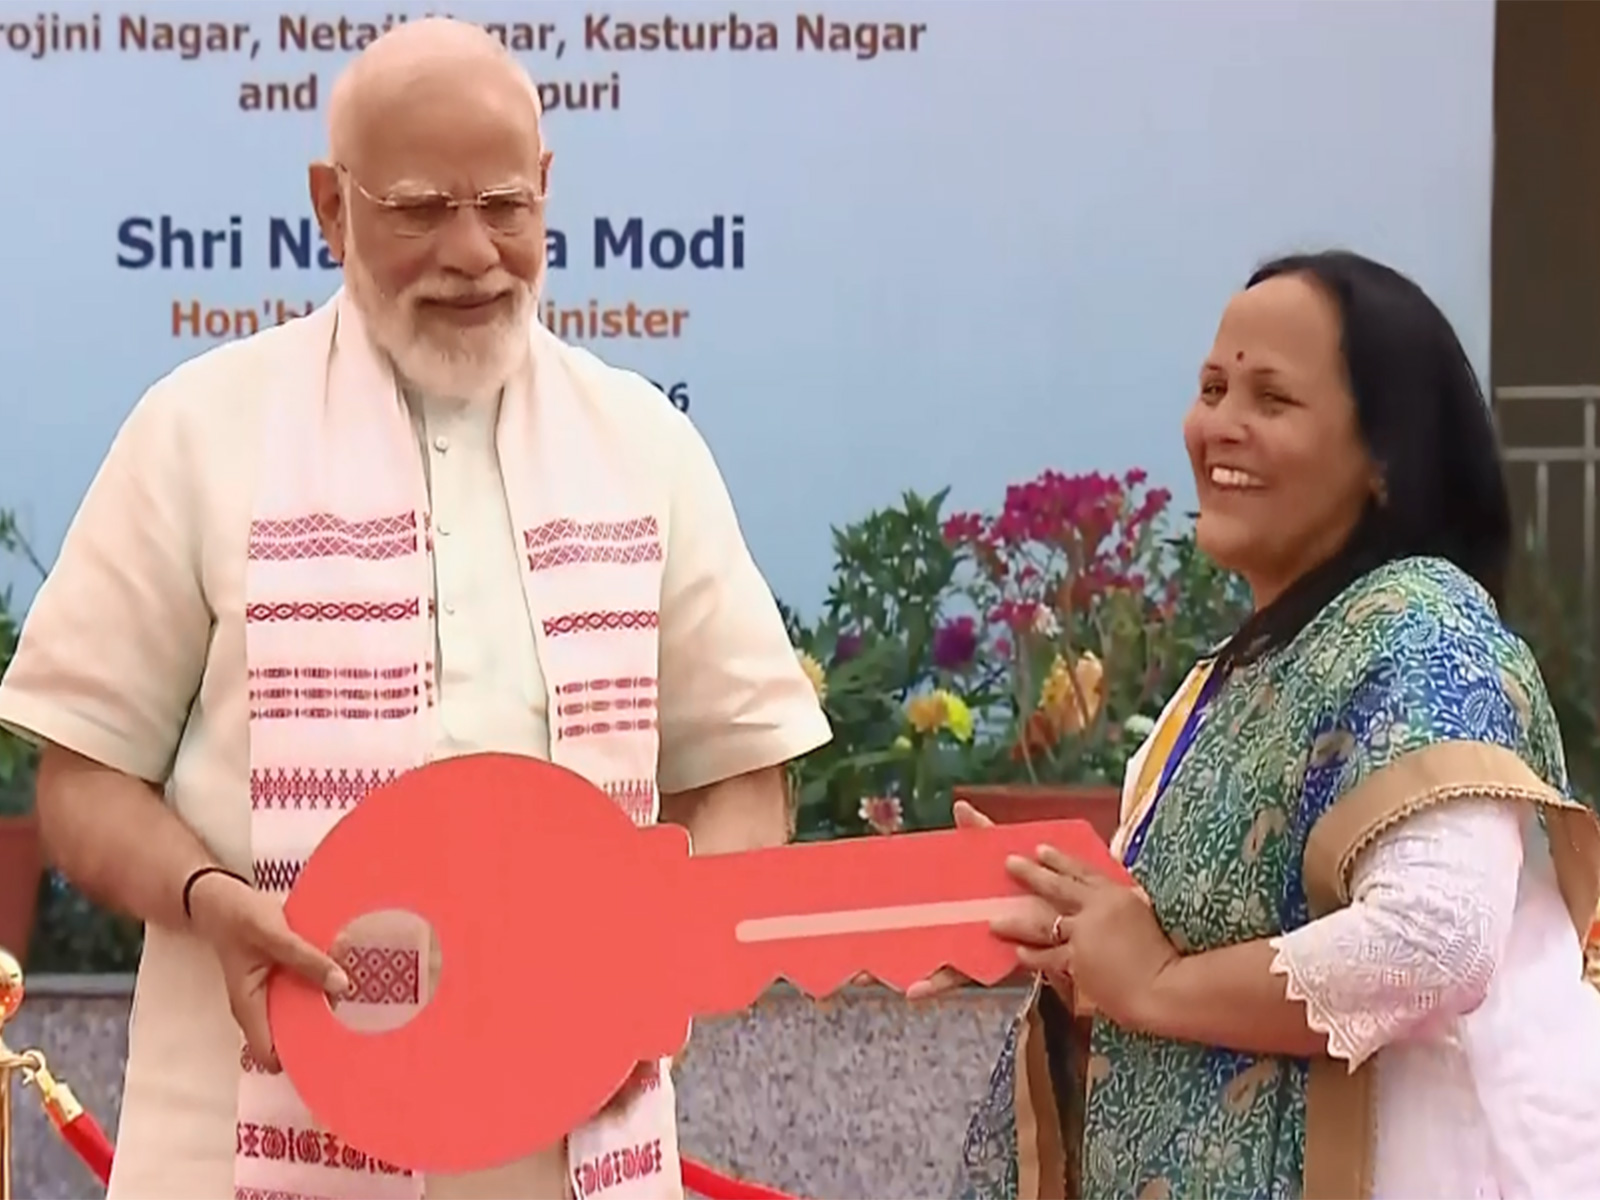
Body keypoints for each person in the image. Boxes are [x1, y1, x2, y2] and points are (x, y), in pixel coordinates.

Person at [0, 19, 829, 1200]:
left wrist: (657, 953)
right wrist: (209, 900)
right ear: (330, 207)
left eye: (502, 205)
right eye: (418, 210)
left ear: (546, 191)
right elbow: (83, 780)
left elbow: (742, 772)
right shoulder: (200, 430)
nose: (473, 253)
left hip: (569, 1143)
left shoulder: (640, 442)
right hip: (250, 1126)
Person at [933, 251, 1600, 1199]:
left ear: (1385, 457)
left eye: (1271, 399)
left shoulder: (1422, 627)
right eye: (1212, 387)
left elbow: (1433, 944)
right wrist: (1064, 934)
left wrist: (1153, 980)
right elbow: (1185, 965)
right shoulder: (1236, 674)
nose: (1219, 426)